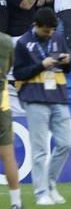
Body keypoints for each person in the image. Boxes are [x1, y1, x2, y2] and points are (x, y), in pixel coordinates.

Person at [12, 8, 71, 206]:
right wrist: (42, 65)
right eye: (46, 30)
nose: (49, 34)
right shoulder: (23, 43)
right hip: (35, 97)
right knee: (40, 149)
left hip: (58, 95)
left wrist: (68, 61)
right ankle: (41, 193)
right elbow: (18, 74)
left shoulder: (58, 37)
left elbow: (68, 67)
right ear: (35, 26)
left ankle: (50, 183)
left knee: (66, 143)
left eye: (52, 30)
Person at [0, 30, 21, 207]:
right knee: (8, 156)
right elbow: (7, 70)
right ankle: (16, 203)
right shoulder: (6, 41)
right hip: (2, 103)